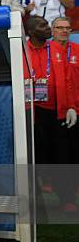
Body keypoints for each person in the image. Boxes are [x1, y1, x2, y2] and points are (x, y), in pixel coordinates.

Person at [25, 16, 77, 212]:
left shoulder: (56, 49)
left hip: (55, 112)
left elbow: (68, 79)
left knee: (61, 156)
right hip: (31, 112)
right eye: (43, 25)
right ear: (31, 32)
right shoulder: (21, 50)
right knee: (32, 157)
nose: (48, 28)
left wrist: (71, 106)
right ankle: (34, 199)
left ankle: (67, 198)